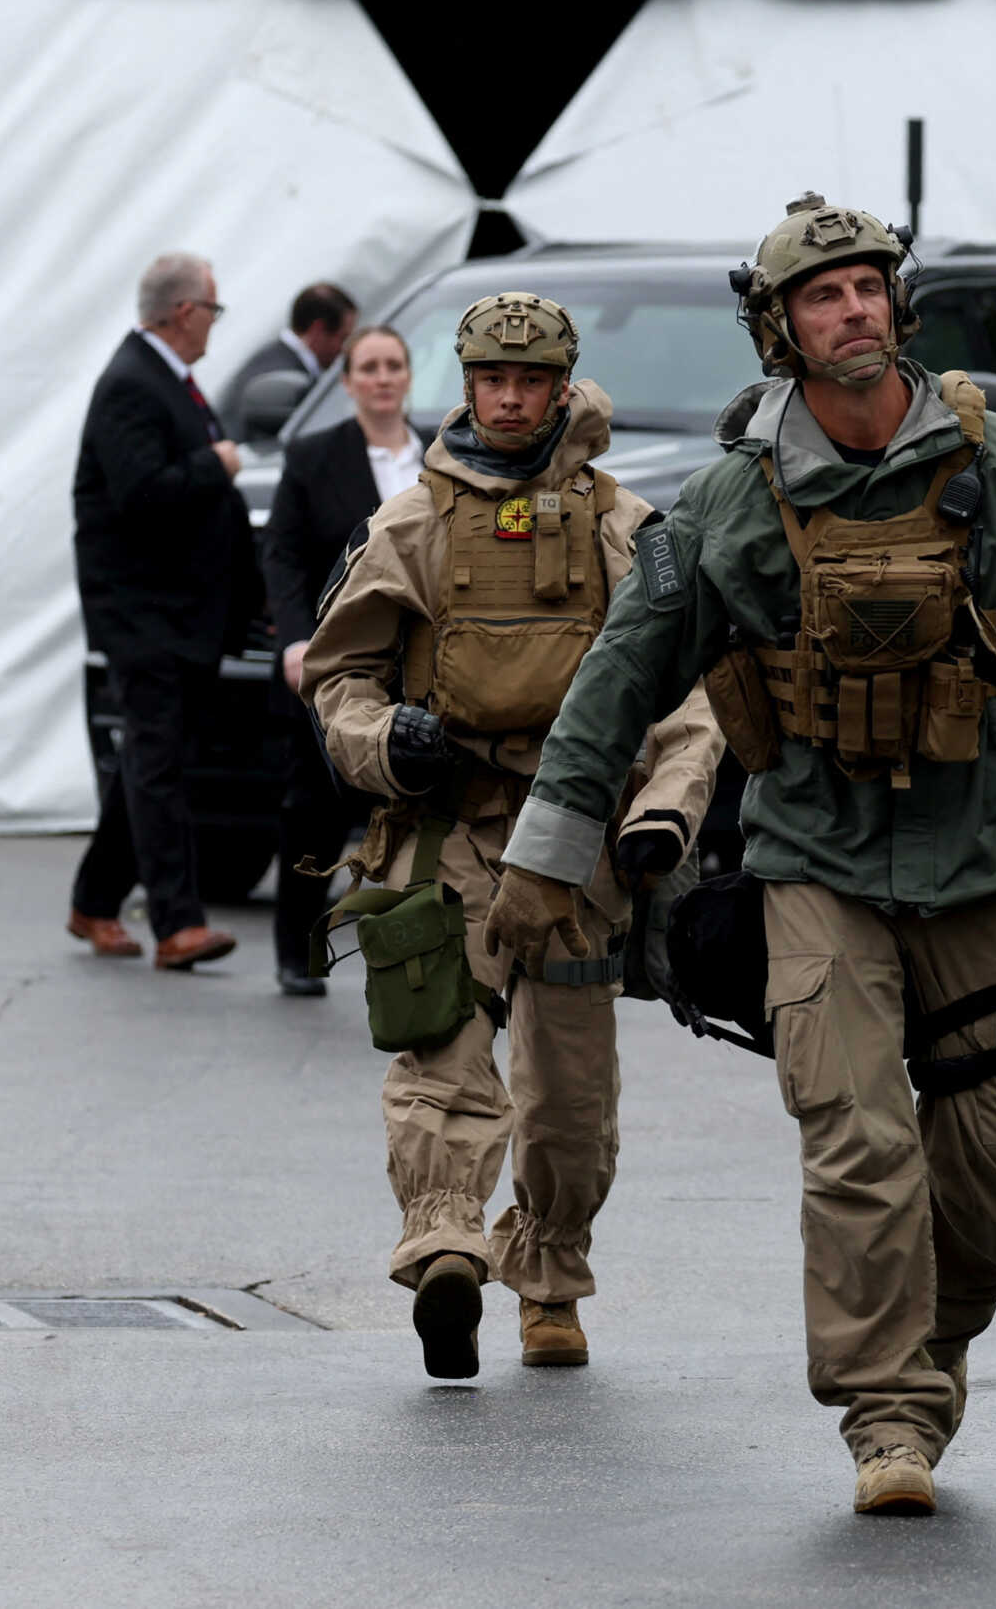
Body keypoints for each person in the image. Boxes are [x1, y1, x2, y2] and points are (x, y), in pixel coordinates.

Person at [484, 195, 996, 1515]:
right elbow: (621, 671)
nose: (855, 309)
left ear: (901, 303)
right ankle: (886, 1413)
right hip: (812, 860)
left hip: (977, 858)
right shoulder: (727, 501)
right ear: (780, 328)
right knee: (858, 1138)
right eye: (824, 295)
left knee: (982, 1175)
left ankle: (930, 1352)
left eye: (871, 286)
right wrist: (545, 852)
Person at [304, 292, 724, 1378]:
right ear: (467, 380)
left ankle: (545, 1272)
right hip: (444, 828)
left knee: (570, 1100)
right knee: (440, 1050)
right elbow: (337, 673)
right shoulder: (411, 526)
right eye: (490, 377)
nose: (508, 397)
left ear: (558, 386)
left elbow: (692, 697)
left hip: (579, 840)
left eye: (529, 381)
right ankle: (445, 1245)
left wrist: (661, 818)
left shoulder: (624, 527)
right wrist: (385, 742)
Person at [67, 251, 261, 970]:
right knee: (157, 761)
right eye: (213, 309)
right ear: (185, 312)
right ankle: (178, 922)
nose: (215, 323)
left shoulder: (169, 381)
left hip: (182, 614)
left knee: (151, 758)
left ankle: (93, 900)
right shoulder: (131, 384)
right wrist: (219, 463)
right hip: (144, 615)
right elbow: (142, 493)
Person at [261, 325, 427, 995]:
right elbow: (284, 556)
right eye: (369, 366)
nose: (382, 377)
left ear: (408, 376)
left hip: (419, 661)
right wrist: (297, 642)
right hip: (335, 660)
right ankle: (298, 947)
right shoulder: (311, 457)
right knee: (314, 809)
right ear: (349, 380)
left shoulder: (442, 454)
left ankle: (424, 954)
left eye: (393, 365)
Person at [220, 282, 357, 430]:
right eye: (343, 338)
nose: (345, 351)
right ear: (318, 330)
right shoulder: (281, 379)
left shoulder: (275, 359)